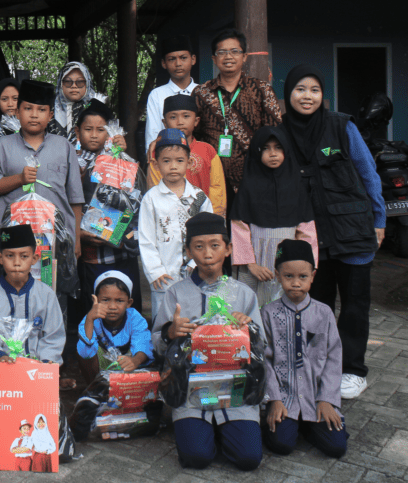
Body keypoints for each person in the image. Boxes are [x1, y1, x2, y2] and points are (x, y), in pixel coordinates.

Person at [281, 64, 384, 400]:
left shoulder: (342, 126)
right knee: (317, 305)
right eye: (300, 89)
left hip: (353, 230)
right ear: (289, 95)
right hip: (312, 238)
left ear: (322, 95)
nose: (307, 96)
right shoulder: (281, 133)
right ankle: (320, 365)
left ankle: (353, 370)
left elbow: (368, 174)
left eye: (314, 90)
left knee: (354, 305)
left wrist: (379, 220)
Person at [152, 212, 262, 472]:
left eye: (215, 245)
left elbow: (262, 347)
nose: (208, 253)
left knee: (249, 459)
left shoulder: (243, 294)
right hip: (191, 392)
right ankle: (205, 432)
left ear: (228, 248)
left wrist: (248, 330)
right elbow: (156, 343)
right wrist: (170, 332)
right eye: (198, 247)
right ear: (189, 251)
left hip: (236, 392)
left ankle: (229, 430)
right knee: (196, 458)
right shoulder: (176, 293)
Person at [0, 79, 85, 310]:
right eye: (28, 109)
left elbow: (75, 198)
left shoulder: (63, 147)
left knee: (52, 294)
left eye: (41, 110)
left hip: (54, 238)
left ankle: (51, 344)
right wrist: (19, 179)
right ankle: (12, 342)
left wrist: (76, 237)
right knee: (11, 293)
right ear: (17, 113)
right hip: (12, 239)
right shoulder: (2, 146)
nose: (34, 115)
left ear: (50, 115)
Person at [262, 239, 347, 459]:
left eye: (303, 277)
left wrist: (327, 399)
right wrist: (274, 399)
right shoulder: (269, 313)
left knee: (337, 447)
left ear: (313, 276)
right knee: (281, 444)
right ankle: (292, 422)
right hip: (285, 397)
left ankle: (308, 424)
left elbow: (334, 357)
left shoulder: (324, 313)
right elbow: (264, 359)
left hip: (316, 396)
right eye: (288, 276)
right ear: (278, 275)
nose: (296, 283)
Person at [192, 28, 282, 205]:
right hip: (212, 178)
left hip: (254, 176)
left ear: (244, 56)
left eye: (235, 51)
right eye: (222, 52)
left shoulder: (261, 90)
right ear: (214, 58)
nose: (228, 57)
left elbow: (275, 132)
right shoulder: (201, 93)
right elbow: (194, 134)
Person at [231, 127, 318, 306]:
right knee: (248, 309)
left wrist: (307, 266)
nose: (273, 154)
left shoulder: (296, 187)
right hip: (253, 264)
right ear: (256, 152)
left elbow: (307, 231)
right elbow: (238, 228)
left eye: (278, 147)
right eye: (266, 148)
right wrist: (251, 264)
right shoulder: (248, 187)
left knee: (284, 307)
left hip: (289, 264)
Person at [138, 129, 214, 321]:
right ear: (156, 164)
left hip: (196, 274)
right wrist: (156, 271)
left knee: (195, 320)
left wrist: (196, 262)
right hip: (164, 278)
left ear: (188, 162)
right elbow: (146, 240)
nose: (173, 166)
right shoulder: (151, 199)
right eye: (166, 161)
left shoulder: (199, 198)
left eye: (179, 161)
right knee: (164, 323)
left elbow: (209, 236)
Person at [75, 100, 141, 315]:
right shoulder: (72, 162)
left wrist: (119, 235)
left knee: (126, 310)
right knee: (94, 309)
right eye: (88, 129)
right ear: (77, 132)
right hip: (90, 255)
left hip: (120, 254)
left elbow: (135, 203)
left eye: (101, 129)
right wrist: (79, 233)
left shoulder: (124, 163)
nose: (94, 135)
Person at [0, 225, 66, 364]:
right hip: (0, 368)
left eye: (24, 256)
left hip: (37, 371)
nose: (17, 263)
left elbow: (54, 337)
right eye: (10, 256)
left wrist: (47, 361)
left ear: (34, 259)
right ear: (0, 257)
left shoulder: (46, 295)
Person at [147, 94, 226, 218]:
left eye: (186, 116)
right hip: (168, 220)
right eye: (173, 117)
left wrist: (214, 217)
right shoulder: (157, 153)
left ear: (196, 121)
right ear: (165, 123)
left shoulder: (207, 150)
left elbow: (217, 188)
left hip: (204, 218)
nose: (180, 122)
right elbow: (154, 188)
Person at [76, 271, 153, 386]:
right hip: (100, 370)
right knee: (84, 347)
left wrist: (135, 360)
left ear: (129, 303)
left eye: (119, 301)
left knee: (142, 356)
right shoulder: (91, 318)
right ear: (95, 300)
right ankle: (94, 388)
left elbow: (143, 343)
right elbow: (85, 352)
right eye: (106, 300)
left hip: (128, 367)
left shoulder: (134, 318)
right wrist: (90, 319)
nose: (112, 307)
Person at [145, 35, 198, 149]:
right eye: (172, 59)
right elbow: (153, 136)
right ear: (164, 63)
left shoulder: (203, 92)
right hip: (167, 159)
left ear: (193, 59)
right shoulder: (157, 95)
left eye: (183, 58)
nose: (178, 63)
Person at [51, 61, 106, 144]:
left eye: (80, 82)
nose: (74, 86)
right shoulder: (49, 111)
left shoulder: (97, 110)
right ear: (61, 84)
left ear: (87, 83)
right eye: (68, 82)